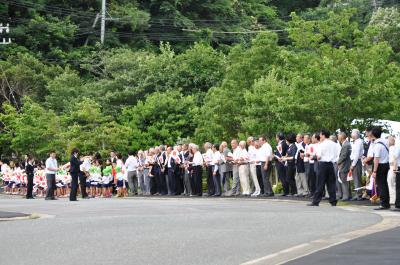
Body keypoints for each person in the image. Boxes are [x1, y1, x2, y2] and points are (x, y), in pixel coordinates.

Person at [308, 129, 338, 207]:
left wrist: (312, 156)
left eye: (321, 135)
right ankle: (333, 200)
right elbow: (337, 154)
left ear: (323, 135)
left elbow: (318, 156)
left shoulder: (321, 144)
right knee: (331, 184)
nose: (320, 136)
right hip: (331, 164)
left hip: (322, 164)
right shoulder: (334, 144)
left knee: (320, 183)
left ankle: (316, 201)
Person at [371, 127, 390, 210]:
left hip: (380, 165)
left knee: (381, 185)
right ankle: (386, 202)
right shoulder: (385, 142)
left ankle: (384, 204)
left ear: (373, 135)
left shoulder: (377, 145)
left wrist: (374, 171)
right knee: (384, 184)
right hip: (386, 164)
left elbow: (376, 159)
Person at [337, 132, 352, 201]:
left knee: (344, 181)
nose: (337, 137)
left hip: (344, 165)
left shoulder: (346, 145)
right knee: (346, 181)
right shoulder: (346, 144)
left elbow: (343, 156)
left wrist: (338, 162)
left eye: (338, 136)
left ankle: (346, 196)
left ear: (341, 137)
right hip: (345, 165)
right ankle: (348, 195)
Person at [350, 129, 364, 200]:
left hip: (356, 161)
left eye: (352, 133)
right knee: (355, 178)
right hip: (355, 161)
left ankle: (358, 194)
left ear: (355, 134)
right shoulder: (356, 142)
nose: (351, 134)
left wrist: (353, 164)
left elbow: (357, 154)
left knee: (357, 178)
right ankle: (357, 194)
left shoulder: (359, 142)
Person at [388, 136, 397, 204]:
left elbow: (394, 158)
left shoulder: (391, 148)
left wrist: (394, 167)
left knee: (391, 183)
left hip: (392, 167)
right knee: (393, 183)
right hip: (393, 167)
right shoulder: (394, 148)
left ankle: (393, 199)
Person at [393, 142, 400, 211]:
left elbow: (395, 157)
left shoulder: (398, 145)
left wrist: (394, 168)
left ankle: (398, 205)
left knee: (398, 187)